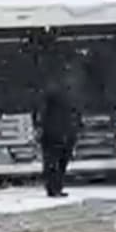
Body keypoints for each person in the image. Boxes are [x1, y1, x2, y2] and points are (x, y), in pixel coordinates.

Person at [37, 59, 83, 198]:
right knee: (57, 162)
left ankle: (54, 187)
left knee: (55, 163)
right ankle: (54, 188)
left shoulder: (56, 95)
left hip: (57, 133)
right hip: (58, 133)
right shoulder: (64, 95)